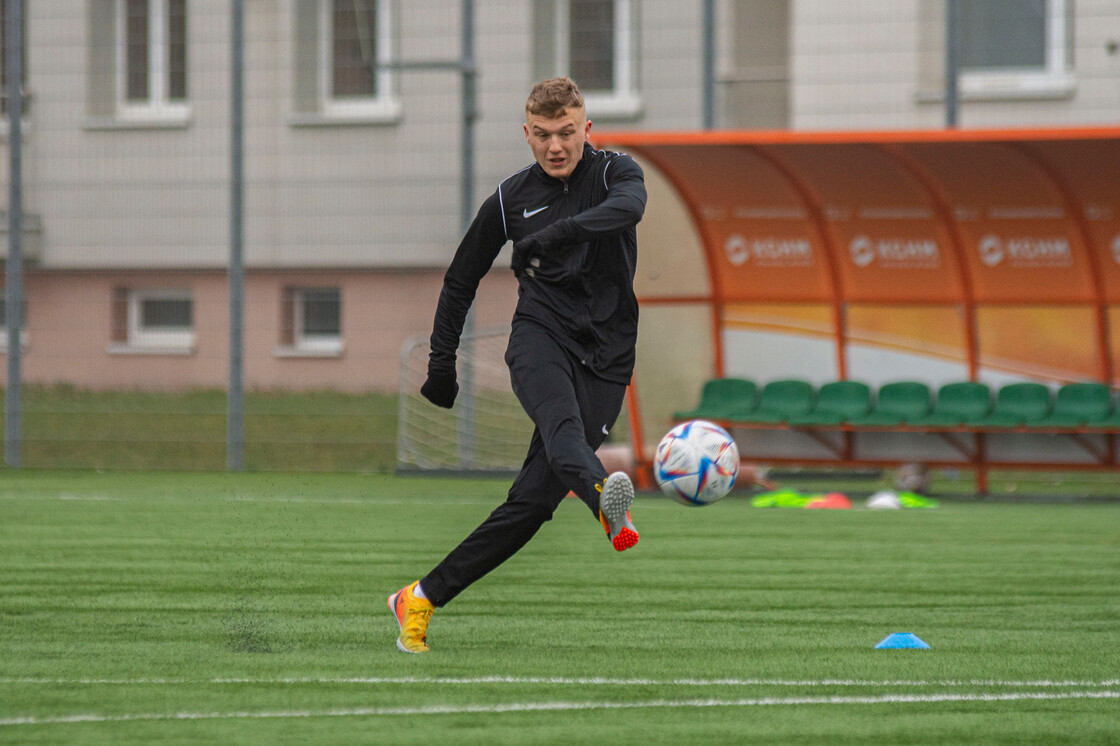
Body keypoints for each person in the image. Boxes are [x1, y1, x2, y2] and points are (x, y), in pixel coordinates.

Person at [388, 77, 647, 653]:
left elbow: (628, 211)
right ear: (526, 134)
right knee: (563, 434)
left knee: (529, 506)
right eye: (543, 135)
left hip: (607, 356)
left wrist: (557, 236)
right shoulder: (510, 198)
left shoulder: (616, 174)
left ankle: (420, 595)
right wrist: (441, 365)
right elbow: (461, 279)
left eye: (567, 133)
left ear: (587, 130)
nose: (556, 147)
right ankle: (607, 500)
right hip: (540, 338)